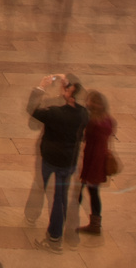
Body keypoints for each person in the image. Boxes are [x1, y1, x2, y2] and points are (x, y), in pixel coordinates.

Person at [26, 72, 89, 252]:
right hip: (69, 161)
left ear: (70, 93)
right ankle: (55, 237)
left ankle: (48, 231)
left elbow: (32, 110)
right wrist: (67, 86)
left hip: (51, 159)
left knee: (43, 188)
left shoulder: (56, 113)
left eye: (67, 87)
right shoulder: (83, 114)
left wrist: (41, 87)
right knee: (60, 198)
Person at [76, 91, 116, 236]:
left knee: (79, 190)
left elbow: (83, 137)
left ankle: (70, 220)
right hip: (100, 159)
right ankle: (95, 224)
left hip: (92, 159)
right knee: (93, 192)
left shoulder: (93, 122)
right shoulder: (109, 120)